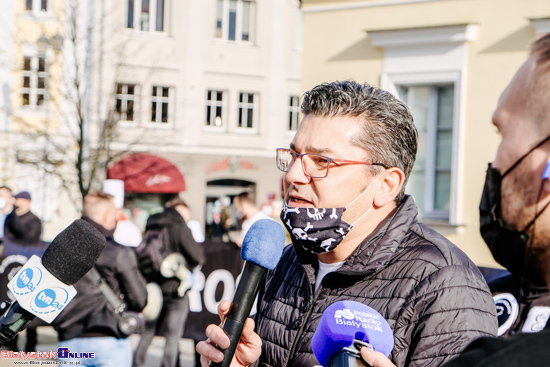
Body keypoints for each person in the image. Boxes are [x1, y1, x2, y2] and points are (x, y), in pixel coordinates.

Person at [196, 80, 497, 367]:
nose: (293, 176)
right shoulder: (287, 263)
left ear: (386, 185)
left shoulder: (446, 285)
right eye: (295, 155)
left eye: (321, 161)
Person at [52, 192, 147, 366]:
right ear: (106, 217)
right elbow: (140, 299)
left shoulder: (59, 248)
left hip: (68, 342)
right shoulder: (119, 253)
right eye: (115, 215)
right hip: (109, 341)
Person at [133, 196, 206, 367]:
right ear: (180, 211)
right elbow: (199, 256)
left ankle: (136, 363)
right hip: (176, 288)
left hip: (153, 288)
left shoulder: (151, 225)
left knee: (148, 331)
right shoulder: (179, 226)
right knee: (172, 336)